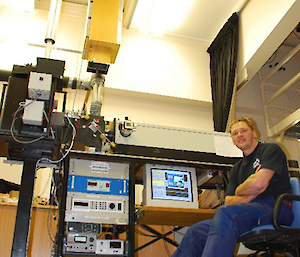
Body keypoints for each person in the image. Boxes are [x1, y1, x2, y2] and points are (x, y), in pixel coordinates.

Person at [172, 117, 294, 257]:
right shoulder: (237, 168)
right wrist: (245, 191)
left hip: (276, 208)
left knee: (225, 214)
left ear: (254, 133)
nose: (239, 135)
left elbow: (259, 183)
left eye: (243, 130)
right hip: (246, 211)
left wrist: (245, 191)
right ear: (233, 140)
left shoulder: (270, 150)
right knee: (197, 230)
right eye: (235, 133)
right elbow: (229, 201)